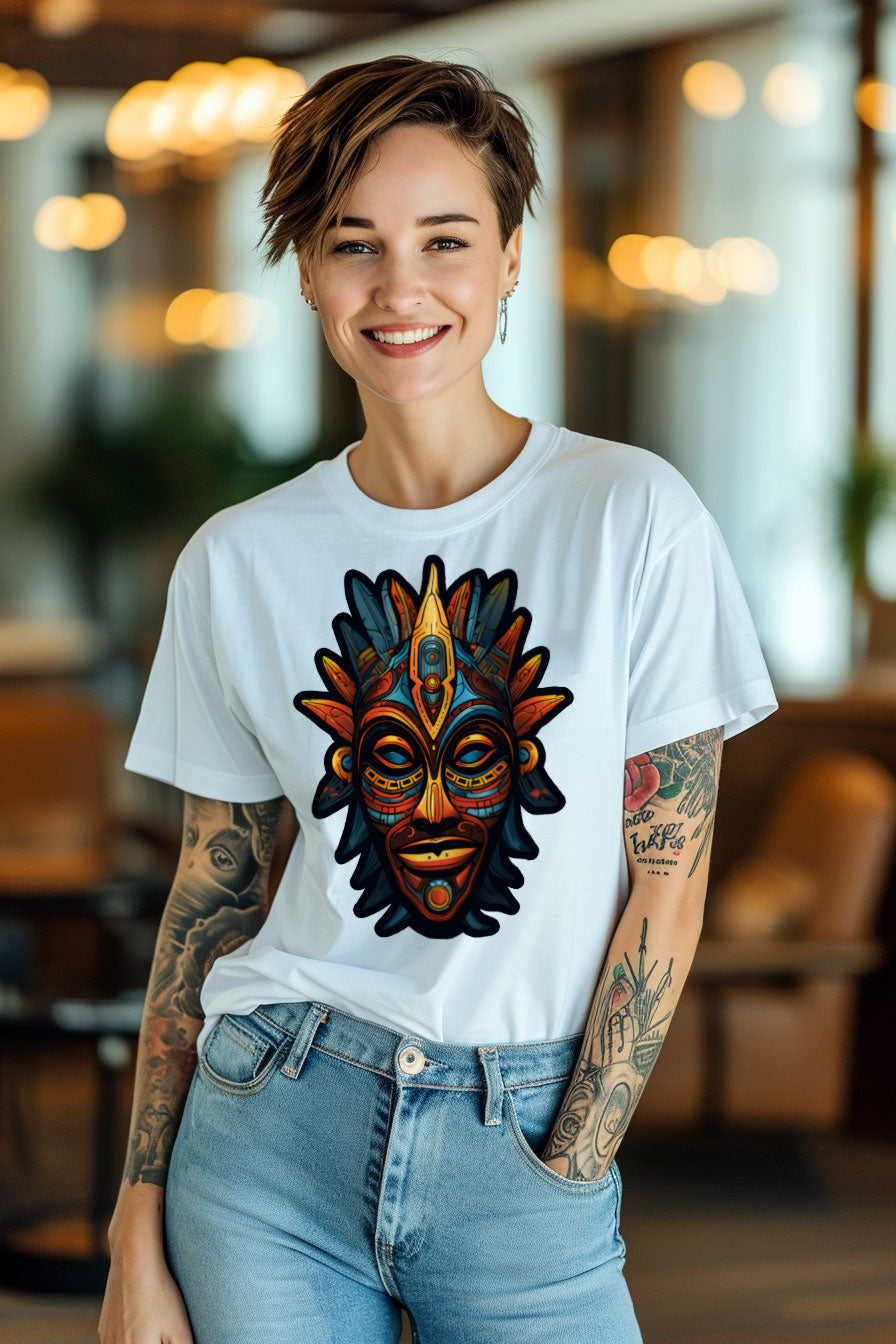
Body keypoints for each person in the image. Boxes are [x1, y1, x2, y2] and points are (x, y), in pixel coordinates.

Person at [99, 53, 778, 1344]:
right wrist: (136, 1217)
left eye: (446, 240)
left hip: (522, 1139)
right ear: (303, 265)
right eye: (353, 243)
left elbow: (666, 876)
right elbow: (214, 892)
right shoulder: (237, 557)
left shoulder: (632, 516)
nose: (399, 287)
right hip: (266, 1129)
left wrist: (569, 1161)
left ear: (512, 257)